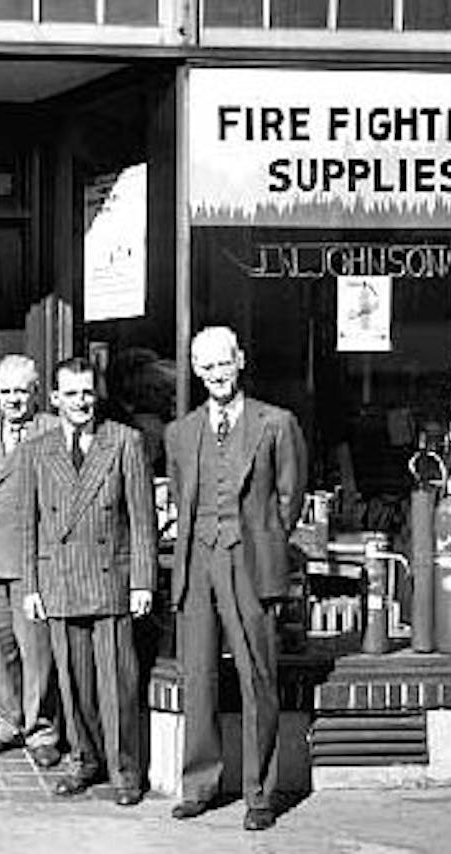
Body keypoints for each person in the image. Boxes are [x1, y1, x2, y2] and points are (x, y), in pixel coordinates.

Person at [164, 326, 307, 833]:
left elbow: (290, 499)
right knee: (197, 678)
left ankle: (259, 794)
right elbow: (184, 501)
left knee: (256, 678)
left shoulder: (276, 423)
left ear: (240, 361)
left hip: (249, 563)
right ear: (195, 371)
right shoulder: (180, 433)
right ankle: (199, 786)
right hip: (196, 562)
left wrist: (261, 544)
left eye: (222, 364)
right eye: (205, 367)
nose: (215, 375)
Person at [19, 356, 155, 807]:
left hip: (109, 579)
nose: (81, 402)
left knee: (117, 683)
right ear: (54, 398)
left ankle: (124, 771)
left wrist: (143, 581)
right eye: (71, 393)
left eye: (87, 392)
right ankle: (83, 760)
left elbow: (142, 520)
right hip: (58, 580)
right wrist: (31, 587)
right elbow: (29, 524)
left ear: (98, 393)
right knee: (73, 684)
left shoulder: (125, 442)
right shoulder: (37, 449)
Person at [0, 355, 63, 767]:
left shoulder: (52, 430)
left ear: (36, 392)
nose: (13, 399)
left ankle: (41, 730)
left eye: (22, 391)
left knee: (36, 651)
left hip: (32, 557)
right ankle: (3, 723)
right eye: (5, 391)